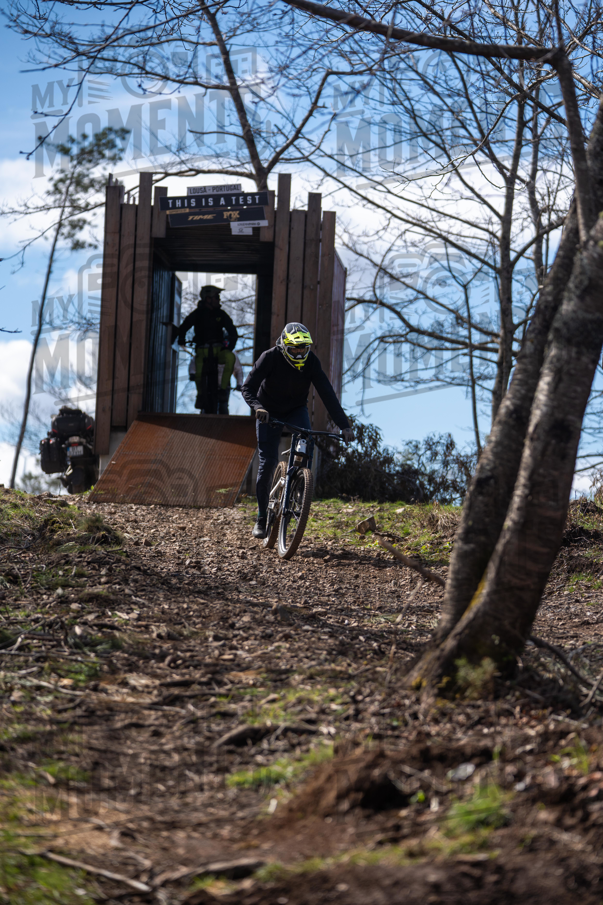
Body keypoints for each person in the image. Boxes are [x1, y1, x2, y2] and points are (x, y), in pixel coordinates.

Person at [242, 322, 355, 539]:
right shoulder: (270, 357)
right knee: (267, 464)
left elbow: (327, 394)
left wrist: (345, 426)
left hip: (296, 409)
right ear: (284, 345)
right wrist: (258, 408)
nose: (300, 351)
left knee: (306, 438)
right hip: (268, 411)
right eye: (295, 347)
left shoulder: (311, 362)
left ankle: (299, 483)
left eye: (303, 347)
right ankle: (262, 516)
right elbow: (247, 388)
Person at [177, 285, 238, 414]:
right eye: (217, 297)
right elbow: (184, 326)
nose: (219, 300)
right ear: (208, 299)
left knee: (230, 358)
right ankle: (200, 395)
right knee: (198, 372)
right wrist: (181, 338)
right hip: (202, 350)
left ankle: (222, 391)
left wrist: (229, 347)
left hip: (219, 350)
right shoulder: (197, 314)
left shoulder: (221, 314)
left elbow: (233, 331)